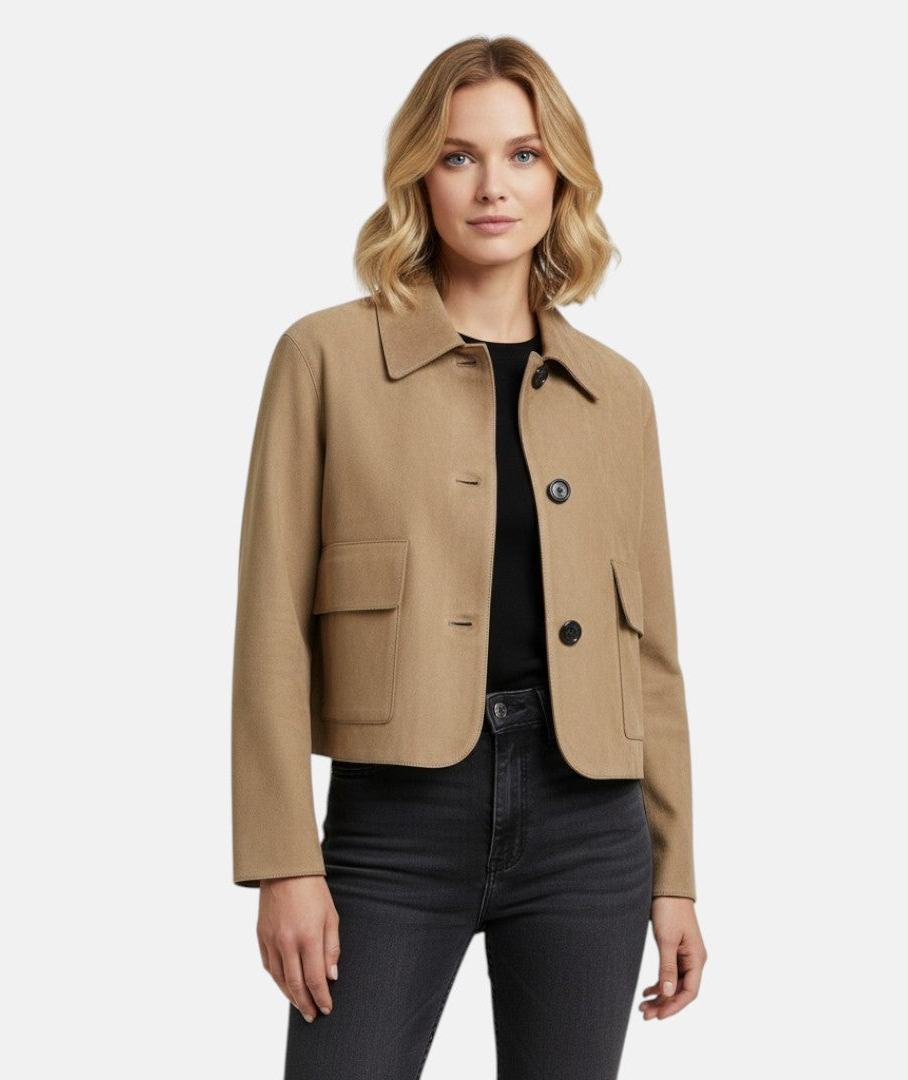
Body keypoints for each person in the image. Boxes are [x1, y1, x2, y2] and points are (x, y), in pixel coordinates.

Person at [231, 34, 708, 1080]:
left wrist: (675, 873)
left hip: (590, 828)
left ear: (561, 178)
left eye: (524, 155)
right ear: (419, 176)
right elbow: (269, 624)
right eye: (460, 156)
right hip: (394, 824)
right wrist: (282, 860)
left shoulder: (616, 394)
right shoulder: (323, 359)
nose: (494, 186)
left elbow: (651, 654)